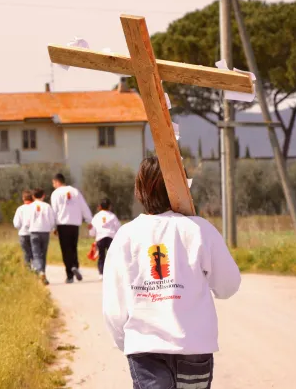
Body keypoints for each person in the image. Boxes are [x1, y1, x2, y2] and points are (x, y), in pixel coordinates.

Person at [102, 156, 241, 389]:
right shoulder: (199, 230)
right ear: (183, 186)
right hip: (194, 347)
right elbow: (228, 286)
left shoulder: (125, 236)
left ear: (140, 189)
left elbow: (114, 305)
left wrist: (126, 342)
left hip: (145, 351)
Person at [51, 173, 93, 283]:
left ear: (56, 182)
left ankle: (70, 274)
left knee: (66, 249)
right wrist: (89, 220)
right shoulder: (75, 191)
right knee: (73, 247)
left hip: (62, 224)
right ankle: (75, 266)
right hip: (75, 224)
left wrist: (53, 226)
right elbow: (83, 206)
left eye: (53, 183)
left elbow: (54, 211)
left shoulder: (56, 193)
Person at [26, 187, 55, 285]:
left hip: (34, 232)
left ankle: (40, 272)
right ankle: (43, 273)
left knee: (36, 254)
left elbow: (27, 222)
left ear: (33, 196)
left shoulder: (30, 207)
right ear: (43, 196)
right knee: (43, 254)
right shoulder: (47, 206)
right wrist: (51, 228)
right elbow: (52, 221)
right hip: (45, 232)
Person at [89, 198, 121, 279]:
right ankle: (113, 272)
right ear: (109, 206)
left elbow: (92, 229)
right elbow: (118, 227)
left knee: (101, 256)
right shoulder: (113, 216)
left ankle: (101, 273)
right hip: (111, 237)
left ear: (100, 206)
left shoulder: (96, 216)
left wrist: (92, 234)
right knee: (112, 256)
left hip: (100, 238)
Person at [12, 189, 34, 269]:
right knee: (35, 252)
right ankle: (37, 269)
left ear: (23, 198)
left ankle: (28, 269)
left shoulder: (20, 209)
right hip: (34, 233)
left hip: (23, 234)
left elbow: (16, 224)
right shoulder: (35, 207)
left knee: (26, 253)